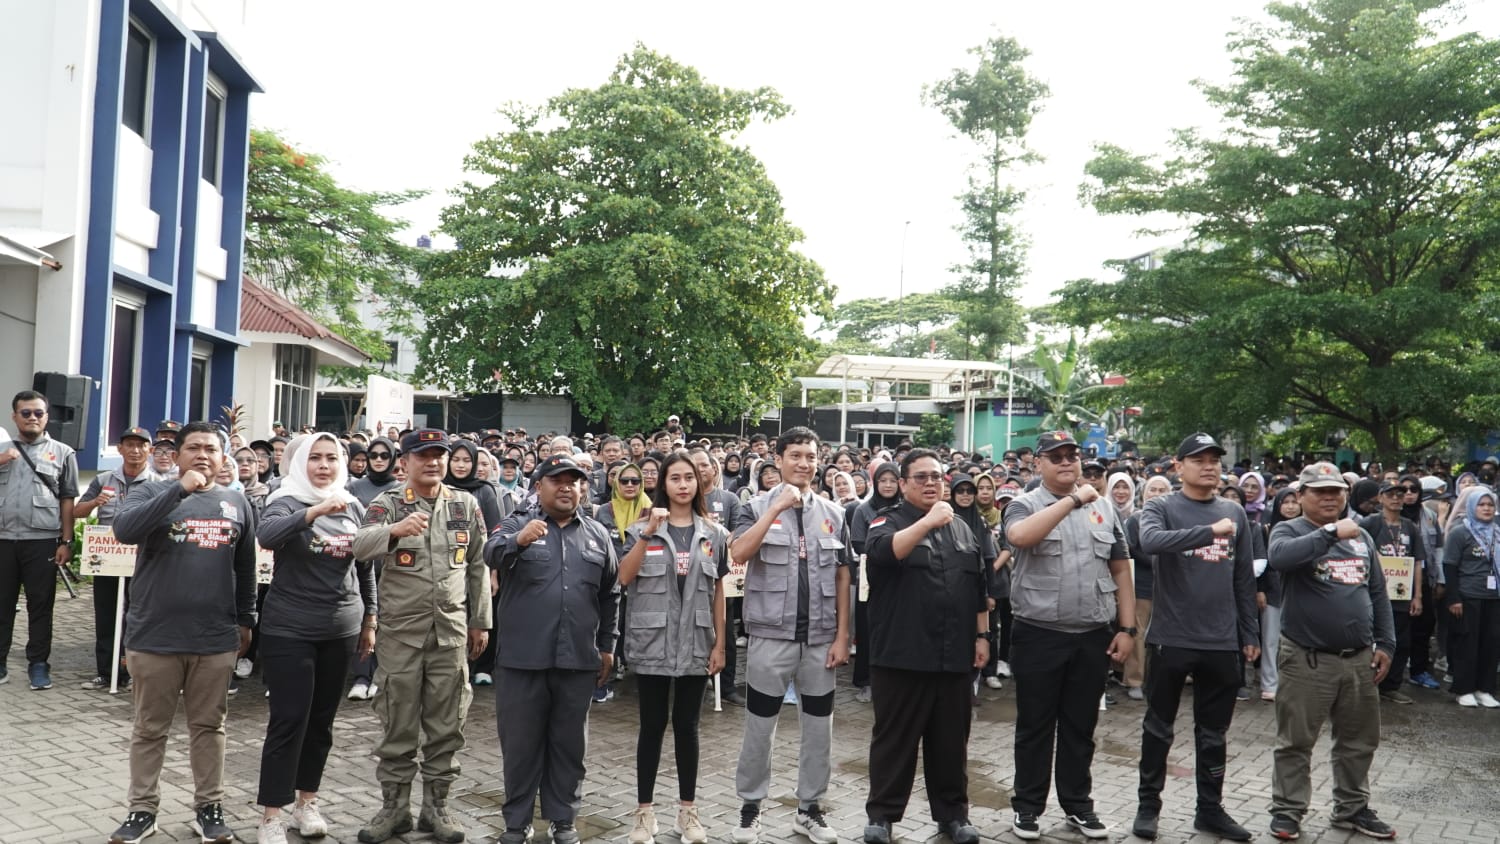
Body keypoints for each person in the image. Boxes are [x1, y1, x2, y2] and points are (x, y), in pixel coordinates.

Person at [106, 421, 257, 844]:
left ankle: (208, 808)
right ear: (177, 454)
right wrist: (180, 490)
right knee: (150, 728)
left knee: (209, 728)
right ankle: (142, 811)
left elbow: (244, 568)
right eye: (194, 448)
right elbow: (124, 530)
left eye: (212, 448)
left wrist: (246, 619)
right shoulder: (152, 491)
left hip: (214, 638)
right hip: (154, 636)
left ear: (224, 457)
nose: (203, 455)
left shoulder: (237, 503)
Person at [352, 429, 491, 844]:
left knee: (447, 725)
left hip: (450, 634)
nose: (432, 462)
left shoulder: (465, 504)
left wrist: (480, 620)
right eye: (423, 455)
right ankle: (394, 809)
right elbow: (359, 546)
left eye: (439, 455)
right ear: (405, 463)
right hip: (401, 636)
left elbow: (478, 566)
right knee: (398, 723)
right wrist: (394, 530)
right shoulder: (388, 503)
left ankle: (437, 808)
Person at [1002, 430, 1135, 841]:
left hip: (1092, 634)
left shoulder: (1105, 510)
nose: (1065, 462)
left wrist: (1127, 628)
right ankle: (1028, 808)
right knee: (1035, 727)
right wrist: (1074, 499)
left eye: (1071, 456)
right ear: (1038, 463)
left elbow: (1120, 568)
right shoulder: (1025, 504)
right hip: (1040, 634)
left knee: (1081, 726)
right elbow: (1020, 537)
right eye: (1055, 456)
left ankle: (1078, 805)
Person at [485, 454, 622, 844]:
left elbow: (611, 593)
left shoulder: (597, 534)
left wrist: (608, 646)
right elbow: (490, 553)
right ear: (538, 485)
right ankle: (517, 822)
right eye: (557, 480)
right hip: (521, 660)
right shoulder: (517, 522)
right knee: (521, 746)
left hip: (577, 660)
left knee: (569, 746)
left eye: (574, 481)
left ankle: (563, 820)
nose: (567, 487)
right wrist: (518, 540)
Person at [1132, 434, 1260, 842]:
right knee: (1158, 728)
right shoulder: (1161, 506)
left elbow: (1243, 577)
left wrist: (1249, 632)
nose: (1208, 466)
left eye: (1214, 460)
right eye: (1198, 459)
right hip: (1171, 636)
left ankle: (1210, 810)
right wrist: (1208, 532)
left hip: (1221, 640)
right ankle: (1148, 806)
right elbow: (1149, 542)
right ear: (1178, 465)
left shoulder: (1234, 513)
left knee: (1213, 734)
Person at [729, 426, 851, 844]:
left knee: (820, 731)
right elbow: (738, 553)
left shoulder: (834, 514)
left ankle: (809, 809)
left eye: (810, 457)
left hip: (820, 642)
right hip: (770, 639)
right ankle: (750, 808)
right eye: (795, 455)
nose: (803, 463)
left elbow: (842, 575)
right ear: (777, 460)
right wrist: (775, 508)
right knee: (759, 729)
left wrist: (842, 636)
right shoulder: (754, 506)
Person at [254, 433, 378, 844]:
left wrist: (370, 618)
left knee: (322, 723)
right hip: (289, 628)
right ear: (300, 462)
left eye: (331, 458)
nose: (323, 466)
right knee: (289, 720)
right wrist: (315, 511)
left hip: (341, 627)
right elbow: (267, 537)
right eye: (315, 458)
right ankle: (272, 814)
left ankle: (306, 803)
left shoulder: (353, 503)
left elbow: (364, 566)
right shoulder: (285, 499)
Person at [862, 449, 990, 844]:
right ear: (902, 484)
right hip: (902, 654)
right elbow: (883, 553)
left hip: (953, 655)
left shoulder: (965, 529)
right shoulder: (888, 521)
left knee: (951, 742)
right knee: (894, 742)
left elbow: (979, 586)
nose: (931, 483)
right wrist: (929, 521)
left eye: (937, 476)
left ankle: (953, 816)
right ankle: (882, 817)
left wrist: (982, 636)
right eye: (920, 477)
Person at [1266, 462, 1396, 841]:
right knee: (1295, 742)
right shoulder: (1288, 530)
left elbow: (1376, 591)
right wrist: (1329, 532)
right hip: (1307, 659)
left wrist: (1385, 643)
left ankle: (1352, 808)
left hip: (1357, 658)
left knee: (1358, 740)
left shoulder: (1360, 537)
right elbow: (1281, 559)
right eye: (1319, 491)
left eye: (1336, 490)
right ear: (1301, 495)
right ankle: (1288, 811)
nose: (1329, 497)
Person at [619, 453, 728, 844]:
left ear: (699, 484)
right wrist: (649, 530)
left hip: (697, 644)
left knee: (688, 727)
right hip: (652, 643)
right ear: (662, 483)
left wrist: (720, 645)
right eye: (675, 478)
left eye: (689, 478)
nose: (683, 485)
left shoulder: (712, 534)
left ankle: (688, 812)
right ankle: (644, 814)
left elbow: (718, 591)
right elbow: (624, 576)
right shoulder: (639, 530)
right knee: (651, 727)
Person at [0, 390, 79, 690]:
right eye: (26, 413)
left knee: (41, 606)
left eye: (38, 413)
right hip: (3, 540)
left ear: (47, 416)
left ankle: (38, 664)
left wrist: (66, 542)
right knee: (1, 605)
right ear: (14, 416)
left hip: (42, 541)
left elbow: (67, 500)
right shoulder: (1, 447)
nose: (32, 418)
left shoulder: (63, 453)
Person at [74, 426, 158, 691]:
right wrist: (95, 502)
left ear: (150, 450)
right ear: (119, 449)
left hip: (143, 562)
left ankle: (135, 672)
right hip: (108, 560)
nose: (135, 450)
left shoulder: (159, 483)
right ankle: (105, 672)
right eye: (129, 445)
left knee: (139, 617)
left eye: (141, 445)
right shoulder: (104, 479)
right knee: (107, 615)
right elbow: (78, 511)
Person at [1357, 479, 1426, 706]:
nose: (1396, 498)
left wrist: (1417, 595)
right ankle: (1368, 683)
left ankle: (1391, 686)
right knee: (1373, 639)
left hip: (1401, 595)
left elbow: (1417, 562)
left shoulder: (1410, 527)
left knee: (1401, 641)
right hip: (1374, 594)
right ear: (1381, 497)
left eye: (1400, 494)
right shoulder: (1370, 523)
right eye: (1391, 494)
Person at [1442, 484, 1500, 708]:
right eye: (1482, 505)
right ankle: (1463, 689)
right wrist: (1453, 598)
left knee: (1491, 644)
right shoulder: (1460, 532)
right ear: (1472, 506)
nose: (1486, 509)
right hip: (1468, 596)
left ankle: (1484, 689)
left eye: (1490, 505)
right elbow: (1449, 566)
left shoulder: (1497, 532)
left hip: (1493, 597)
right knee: (1467, 644)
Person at [849, 462, 902, 703]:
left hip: (901, 577)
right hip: (869, 577)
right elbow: (859, 542)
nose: (888, 485)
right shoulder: (864, 510)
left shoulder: (905, 509)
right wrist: (885, 551)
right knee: (868, 629)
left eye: (893, 480)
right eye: (883, 481)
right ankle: (866, 681)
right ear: (876, 483)